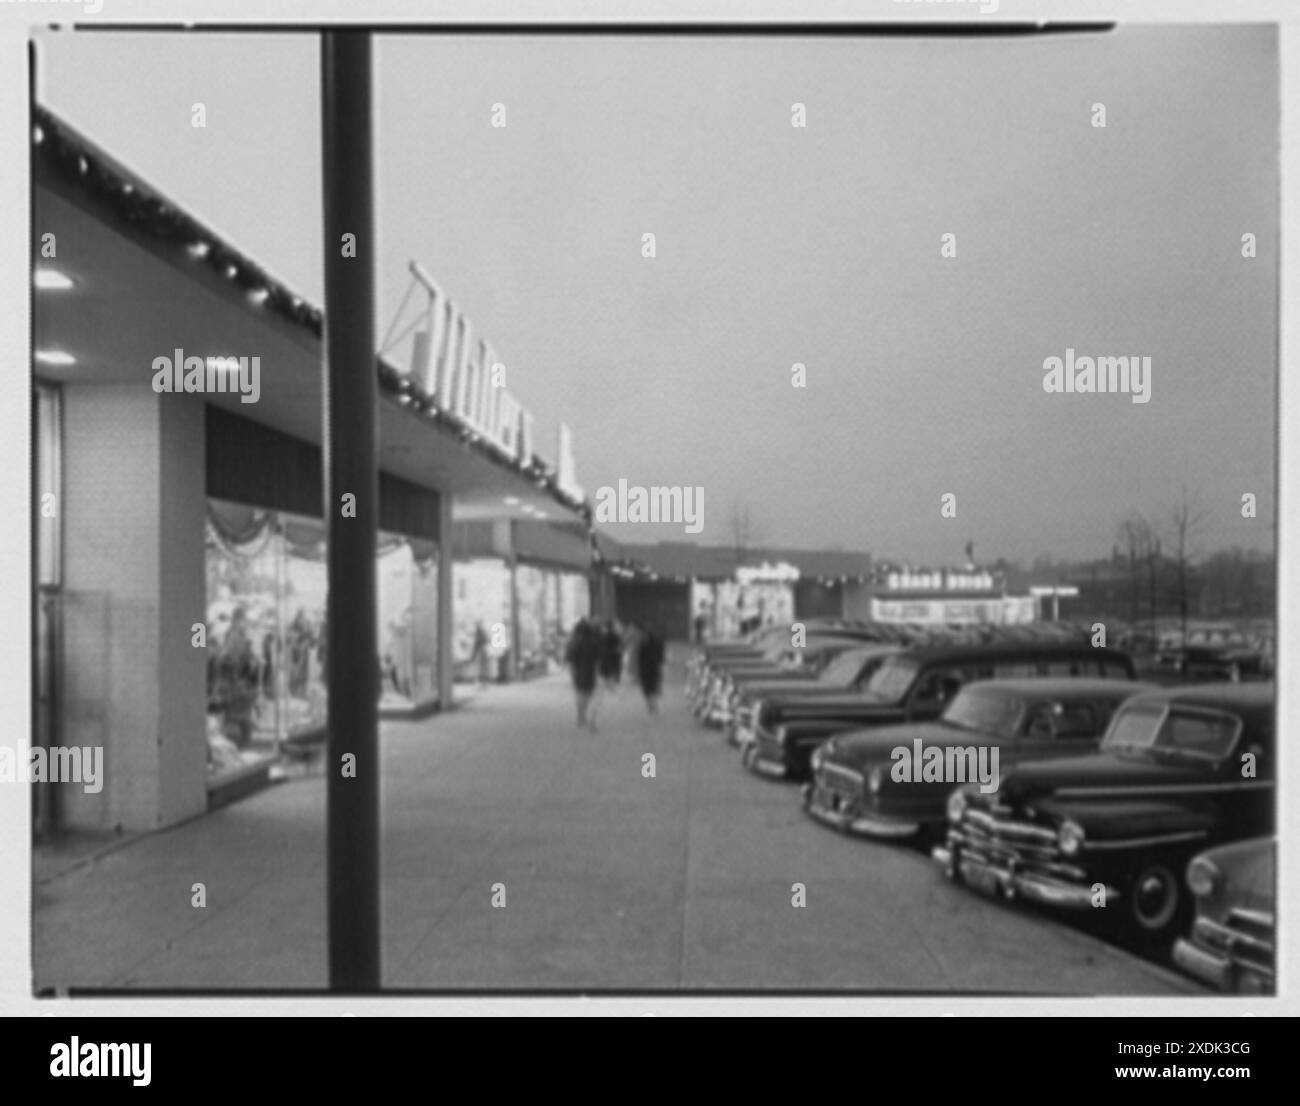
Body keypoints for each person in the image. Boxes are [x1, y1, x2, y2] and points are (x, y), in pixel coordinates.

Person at [565, 619, 601, 731]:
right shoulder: (593, 642)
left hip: (577, 670)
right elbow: (597, 661)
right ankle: (583, 715)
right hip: (589, 670)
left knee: (579, 692)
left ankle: (580, 716)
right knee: (588, 694)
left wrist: (572, 672)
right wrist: (597, 673)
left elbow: (569, 660)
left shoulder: (572, 642)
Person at [635, 622, 667, 714]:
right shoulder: (658, 643)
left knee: (647, 689)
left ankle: (651, 706)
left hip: (645, 670)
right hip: (654, 668)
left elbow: (640, 660)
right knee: (653, 688)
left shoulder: (643, 645)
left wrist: (639, 671)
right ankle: (653, 706)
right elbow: (661, 656)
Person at [598, 620, 623, 691]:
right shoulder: (615, 635)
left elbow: (601, 645)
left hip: (606, 655)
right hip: (613, 655)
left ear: (606, 627)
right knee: (612, 670)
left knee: (607, 671)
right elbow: (619, 646)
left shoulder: (605, 635)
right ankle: (611, 685)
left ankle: (609, 686)